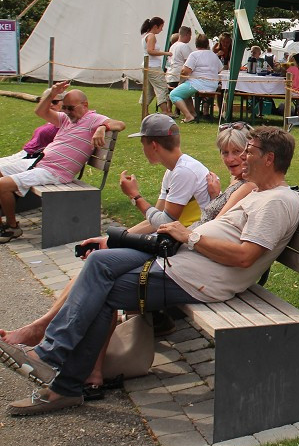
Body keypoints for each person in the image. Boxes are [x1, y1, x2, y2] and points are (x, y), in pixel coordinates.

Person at [0, 126, 299, 416]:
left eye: (248, 151)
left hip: (198, 278)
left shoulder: (275, 202)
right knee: (98, 262)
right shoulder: (257, 192)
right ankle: (55, 363)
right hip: (181, 260)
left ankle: (56, 371)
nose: (241, 157)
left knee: (102, 290)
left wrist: (190, 236)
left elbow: (247, 257)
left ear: (269, 158)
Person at [1, 123, 255, 352]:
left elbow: (167, 223)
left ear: (152, 145)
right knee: (101, 260)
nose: (231, 158)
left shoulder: (187, 172)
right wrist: (116, 238)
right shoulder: (181, 171)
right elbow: (157, 220)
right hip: (176, 244)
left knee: (102, 269)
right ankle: (49, 330)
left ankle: (53, 338)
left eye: (238, 152)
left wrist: (135, 198)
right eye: (225, 152)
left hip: (181, 251)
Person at [0, 83, 125, 244]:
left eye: (70, 108)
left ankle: (12, 227)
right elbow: (40, 111)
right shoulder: (67, 119)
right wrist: (52, 93)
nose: (66, 111)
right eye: (64, 107)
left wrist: (102, 127)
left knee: (2, 184)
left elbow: (120, 124)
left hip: (55, 171)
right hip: (41, 162)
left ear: (84, 105)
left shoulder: (93, 119)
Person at [0, 89, 62, 174]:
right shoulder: (52, 120)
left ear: (64, 102)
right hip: (24, 154)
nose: (50, 105)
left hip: (33, 158)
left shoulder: (65, 121)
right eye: (46, 102)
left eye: (55, 102)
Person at [170, 34, 223, 123]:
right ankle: (193, 113)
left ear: (196, 44)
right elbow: (220, 70)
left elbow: (185, 71)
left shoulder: (194, 55)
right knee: (185, 93)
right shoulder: (214, 55)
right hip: (212, 85)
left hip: (197, 84)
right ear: (207, 44)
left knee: (174, 94)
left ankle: (188, 116)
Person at [140, 17, 172, 113]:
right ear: (155, 26)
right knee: (162, 87)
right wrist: (165, 53)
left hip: (148, 65)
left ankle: (145, 111)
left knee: (149, 90)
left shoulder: (146, 36)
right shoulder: (151, 36)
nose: (162, 29)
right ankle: (165, 112)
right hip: (153, 66)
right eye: (161, 27)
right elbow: (150, 51)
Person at [165, 26, 193, 96]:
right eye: (190, 35)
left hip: (171, 75)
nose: (190, 38)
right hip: (179, 77)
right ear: (187, 35)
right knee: (182, 97)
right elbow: (189, 62)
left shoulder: (172, 46)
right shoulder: (184, 46)